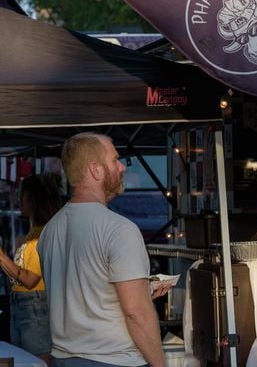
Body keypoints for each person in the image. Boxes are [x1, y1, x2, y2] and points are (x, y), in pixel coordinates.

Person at [37, 132, 170, 367]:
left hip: (64, 359)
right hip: (113, 360)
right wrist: (160, 365)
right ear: (95, 170)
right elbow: (136, 313)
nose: (122, 167)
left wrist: (142, 289)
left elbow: (82, 292)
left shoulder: (50, 229)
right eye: (115, 160)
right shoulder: (119, 229)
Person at [0, 174, 60, 365]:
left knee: (36, 360)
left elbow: (29, 279)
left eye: (23, 197)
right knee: (22, 360)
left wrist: (2, 257)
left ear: (33, 200)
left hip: (34, 306)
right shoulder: (30, 235)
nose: (19, 201)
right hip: (21, 305)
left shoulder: (42, 234)